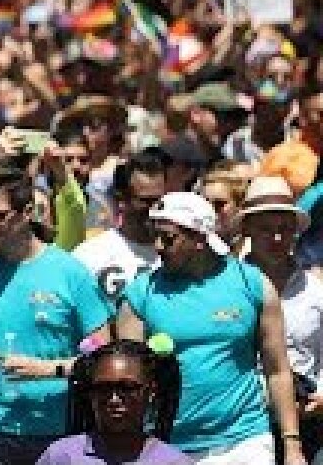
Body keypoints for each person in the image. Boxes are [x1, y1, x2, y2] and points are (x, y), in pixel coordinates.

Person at [118, 191, 306, 465]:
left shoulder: (252, 284)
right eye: (154, 235)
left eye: (169, 238)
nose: (158, 246)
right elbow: (129, 379)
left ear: (199, 240)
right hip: (168, 444)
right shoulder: (140, 294)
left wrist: (291, 445)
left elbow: (277, 369)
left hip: (245, 440)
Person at [0, 171, 114, 465]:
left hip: (63, 429)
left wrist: (47, 370)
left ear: (26, 213)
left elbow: (105, 358)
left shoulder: (69, 272)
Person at [237, 176, 323, 463]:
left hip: (312, 422)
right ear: (246, 229)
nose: (276, 239)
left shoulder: (315, 290)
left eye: (284, 229)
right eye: (266, 229)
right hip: (247, 427)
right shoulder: (230, 288)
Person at [37, 339, 189, 465]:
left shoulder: (173, 461)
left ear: (151, 392)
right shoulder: (62, 456)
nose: (114, 399)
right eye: (103, 388)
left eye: (127, 388)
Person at [72, 149, 165, 296]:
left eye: (159, 200)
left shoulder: (177, 257)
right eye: (146, 201)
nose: (154, 209)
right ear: (122, 200)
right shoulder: (88, 256)